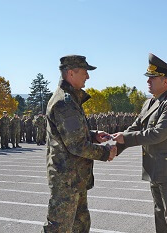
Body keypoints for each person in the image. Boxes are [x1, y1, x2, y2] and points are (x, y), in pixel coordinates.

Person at [113, 53, 167, 233]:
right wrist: (113, 145)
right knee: (160, 214)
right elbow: (135, 127)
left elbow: (158, 134)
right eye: (148, 78)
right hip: (154, 169)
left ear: (166, 81)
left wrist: (126, 139)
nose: (148, 81)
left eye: (153, 78)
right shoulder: (150, 103)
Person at [42, 55, 117, 233]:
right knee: (60, 228)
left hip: (75, 179)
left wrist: (93, 135)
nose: (88, 77)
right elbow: (76, 145)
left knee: (80, 225)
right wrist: (106, 152)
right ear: (70, 73)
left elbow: (70, 135)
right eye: (84, 72)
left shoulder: (71, 100)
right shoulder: (64, 103)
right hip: (66, 180)